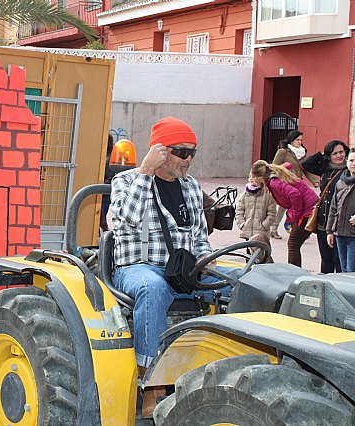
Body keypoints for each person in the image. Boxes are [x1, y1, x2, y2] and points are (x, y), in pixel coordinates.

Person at [110, 117, 229, 416]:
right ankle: (151, 383)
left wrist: (207, 265)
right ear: (160, 151)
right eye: (181, 151)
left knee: (241, 280)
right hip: (137, 267)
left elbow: (199, 238)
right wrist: (145, 171)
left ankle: (231, 369)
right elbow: (126, 220)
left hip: (183, 270)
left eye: (193, 152)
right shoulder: (125, 181)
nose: (188, 159)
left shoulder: (191, 187)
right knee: (153, 287)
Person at [251, 160, 319, 268]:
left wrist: (293, 216)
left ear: (259, 177)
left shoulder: (274, 182)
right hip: (311, 207)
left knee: (293, 244)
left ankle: (294, 273)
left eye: (253, 176)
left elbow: (294, 194)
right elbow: (288, 165)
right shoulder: (277, 173)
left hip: (307, 212)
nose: (252, 179)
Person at [302, 139, 349, 273]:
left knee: (338, 259)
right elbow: (306, 164)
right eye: (335, 153)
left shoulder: (348, 171)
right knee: (326, 259)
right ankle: (324, 285)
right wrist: (322, 153)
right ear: (329, 156)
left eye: (341, 152)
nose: (339, 156)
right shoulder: (325, 169)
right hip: (323, 220)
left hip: (338, 221)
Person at [270, 130, 319, 240]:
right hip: (286, 183)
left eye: (301, 140)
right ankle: (274, 229)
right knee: (283, 207)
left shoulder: (302, 153)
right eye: (297, 140)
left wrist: (314, 181)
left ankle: (295, 229)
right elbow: (274, 166)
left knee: (300, 207)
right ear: (291, 140)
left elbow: (306, 169)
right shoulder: (283, 152)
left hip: (298, 184)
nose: (300, 142)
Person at [327, 149, 355, 272]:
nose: (353, 163)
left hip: (353, 235)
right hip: (339, 234)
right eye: (351, 160)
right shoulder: (341, 183)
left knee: (351, 270)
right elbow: (333, 208)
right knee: (343, 269)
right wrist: (330, 231)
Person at [236, 172, 277, 246]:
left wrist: (264, 226)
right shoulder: (244, 195)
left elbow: (272, 213)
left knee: (261, 254)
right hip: (247, 231)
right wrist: (242, 224)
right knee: (249, 254)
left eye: (254, 177)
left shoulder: (267, 196)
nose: (251, 178)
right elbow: (239, 212)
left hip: (261, 232)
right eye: (250, 176)